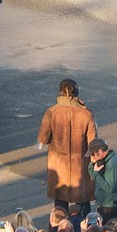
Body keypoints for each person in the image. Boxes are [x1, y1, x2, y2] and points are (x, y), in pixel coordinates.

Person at [35, 79, 96, 211]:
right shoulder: (86, 114)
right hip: (79, 165)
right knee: (82, 200)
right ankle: (83, 228)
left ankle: (58, 227)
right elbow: (93, 143)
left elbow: (43, 138)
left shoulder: (51, 112)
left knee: (60, 201)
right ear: (77, 92)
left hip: (59, 166)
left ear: (60, 92)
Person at [85, 139, 117, 219]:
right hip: (104, 203)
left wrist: (97, 173)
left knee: (107, 229)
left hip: (110, 206)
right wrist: (92, 164)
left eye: (93, 154)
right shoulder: (103, 161)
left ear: (100, 152)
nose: (92, 157)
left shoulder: (113, 164)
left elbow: (109, 188)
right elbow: (92, 175)